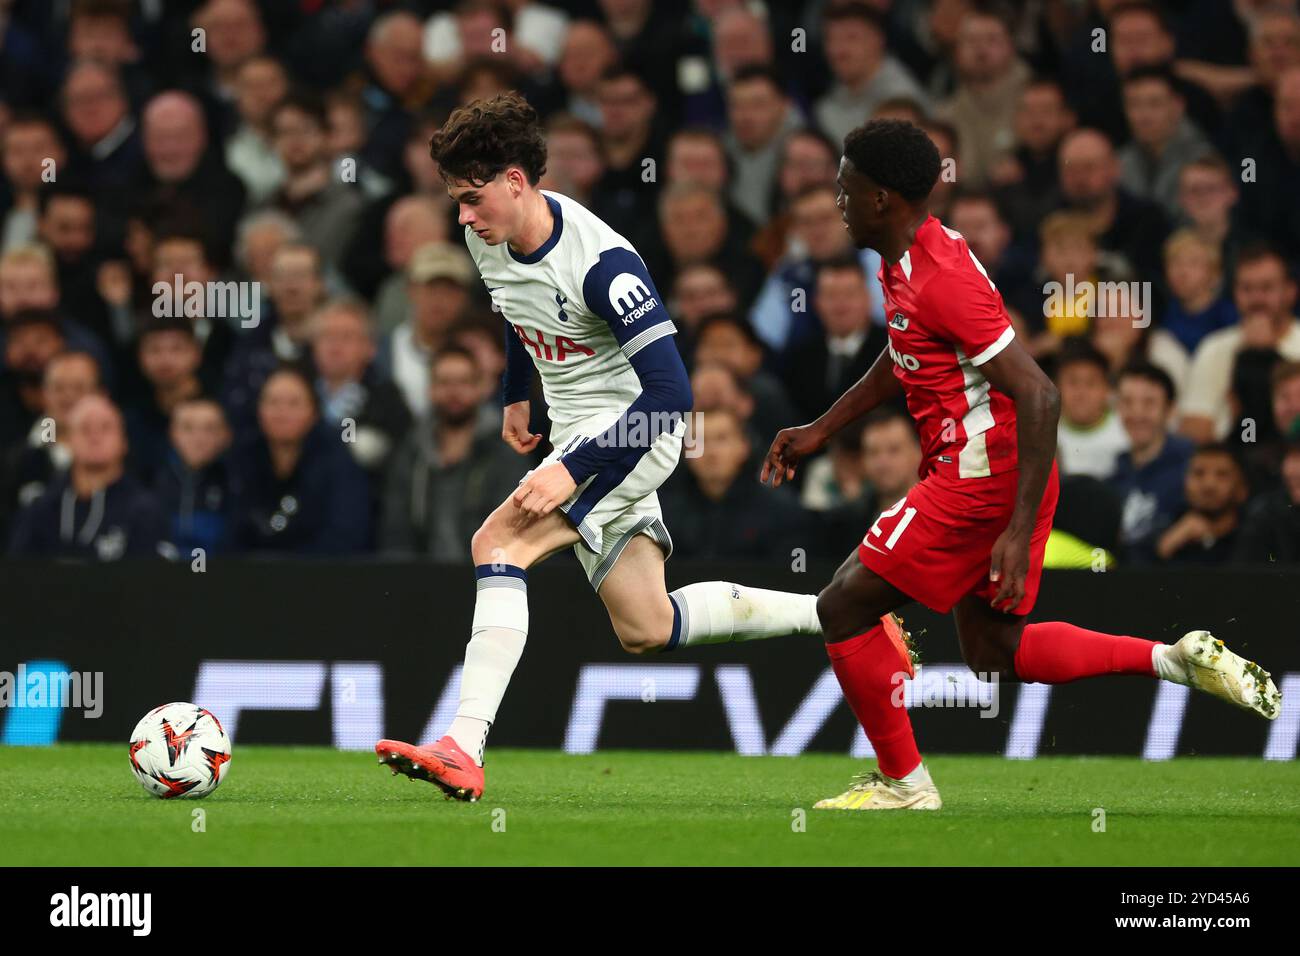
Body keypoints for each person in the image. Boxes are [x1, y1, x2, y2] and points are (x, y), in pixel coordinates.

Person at [760, 119, 1282, 811]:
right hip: (986, 472)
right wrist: (823, 427)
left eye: (845, 184)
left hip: (978, 480)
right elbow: (907, 354)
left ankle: (904, 785)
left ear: (882, 197)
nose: (837, 197)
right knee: (995, 651)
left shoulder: (941, 275)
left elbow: (1040, 392)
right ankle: (1174, 659)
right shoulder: (910, 257)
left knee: (843, 605)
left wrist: (1015, 525)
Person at [374, 93, 824, 802]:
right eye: (456, 201)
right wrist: (517, 391)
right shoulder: (484, 236)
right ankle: (833, 612)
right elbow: (516, 307)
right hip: (574, 428)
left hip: (635, 432)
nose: (461, 216)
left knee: (499, 543)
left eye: (472, 198)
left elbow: (671, 396)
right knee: (648, 625)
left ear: (517, 183)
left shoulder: (605, 267)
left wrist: (573, 470)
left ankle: (464, 743)